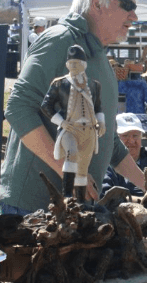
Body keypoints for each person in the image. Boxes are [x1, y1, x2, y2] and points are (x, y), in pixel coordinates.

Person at [0, 0, 145, 216]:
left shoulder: (99, 57)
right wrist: (71, 171)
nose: (134, 15)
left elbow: (108, 142)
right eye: (127, 6)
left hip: (71, 211)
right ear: (97, 3)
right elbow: (17, 108)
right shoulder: (59, 40)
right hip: (32, 208)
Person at [40, 45, 106, 201]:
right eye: (71, 63)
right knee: (72, 154)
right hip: (70, 129)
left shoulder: (94, 85)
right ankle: (67, 195)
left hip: (89, 131)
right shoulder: (60, 83)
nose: (73, 66)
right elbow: (45, 105)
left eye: (76, 63)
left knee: (83, 168)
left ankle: (80, 202)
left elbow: (98, 106)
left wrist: (101, 122)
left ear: (84, 64)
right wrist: (61, 122)